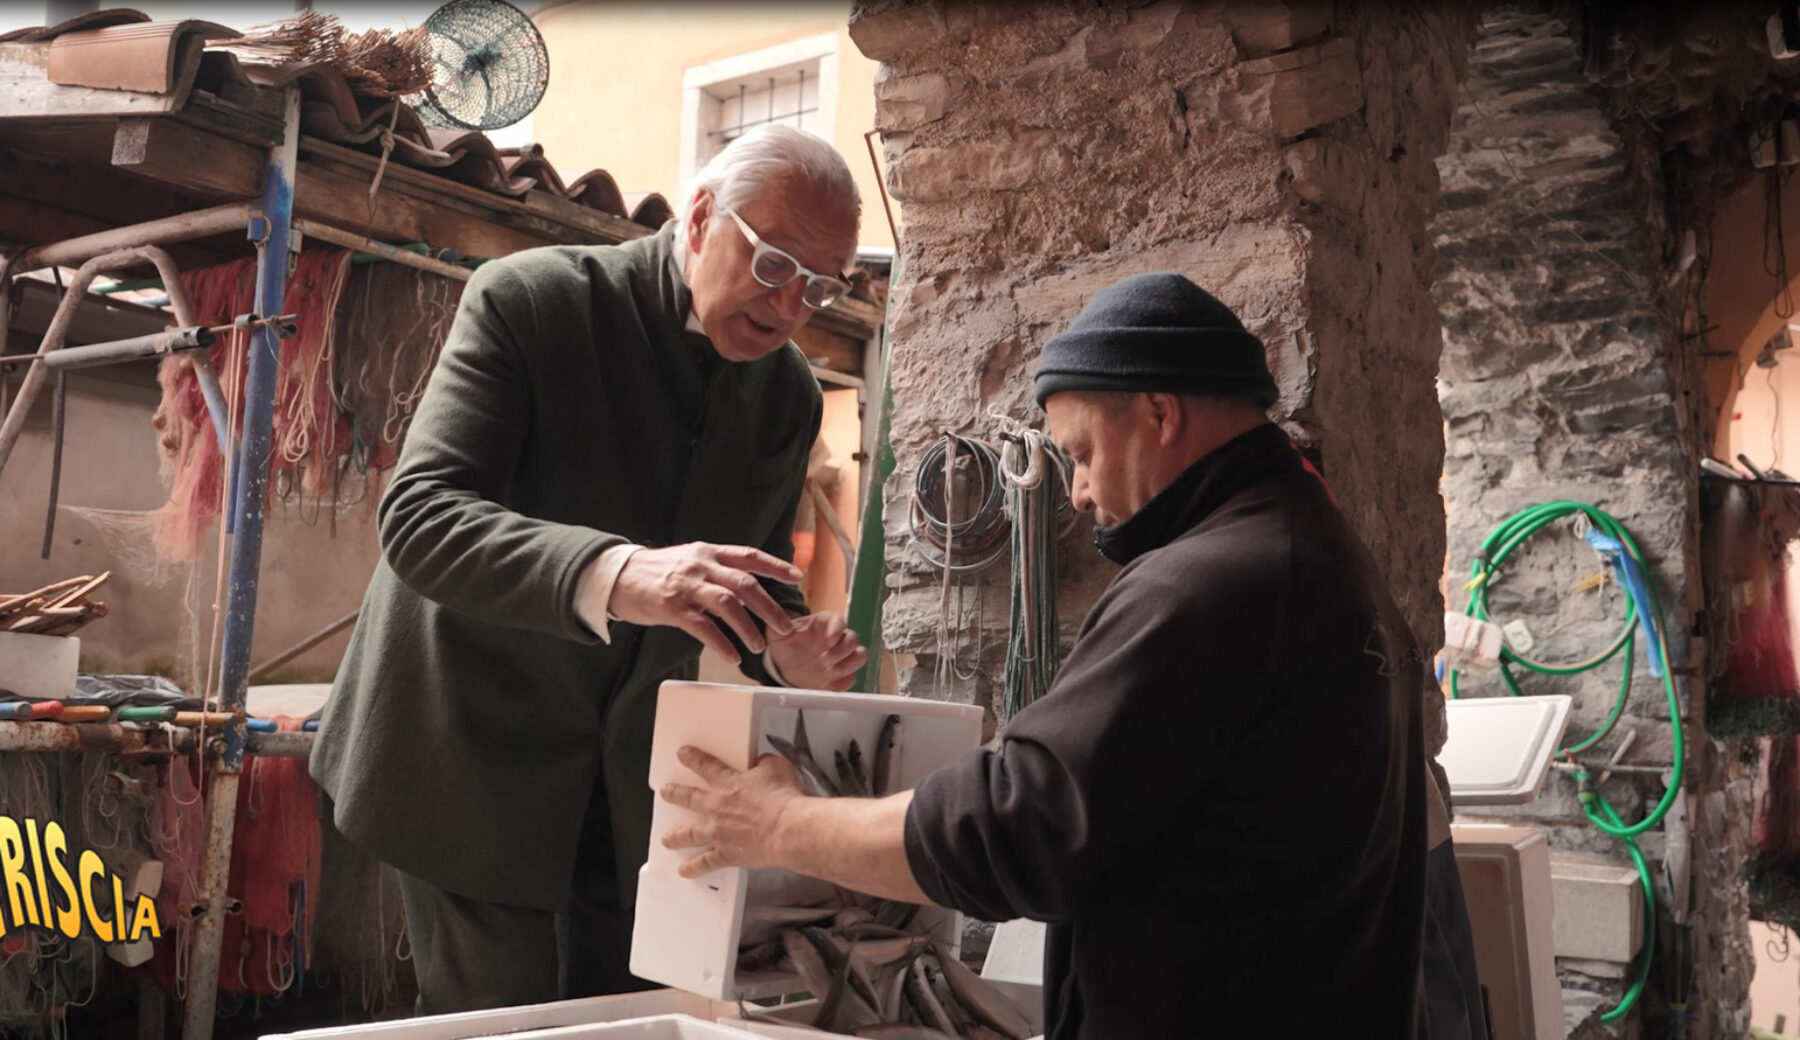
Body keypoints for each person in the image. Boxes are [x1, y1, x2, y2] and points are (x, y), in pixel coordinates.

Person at [659, 272, 1447, 1038]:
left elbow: (1015, 825)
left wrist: (779, 825)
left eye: (1080, 452)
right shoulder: (1322, 551)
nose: (1072, 491)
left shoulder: (1210, 582)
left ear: (1160, 414)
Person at [309, 124, 868, 1014]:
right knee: (504, 1019)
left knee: (630, 1013)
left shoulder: (790, 393)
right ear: (697, 219)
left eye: (822, 284)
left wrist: (785, 653)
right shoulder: (532, 302)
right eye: (774, 264)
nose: (793, 303)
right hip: (464, 747)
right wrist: (617, 572)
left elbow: (750, 590)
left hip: (627, 782)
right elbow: (419, 519)